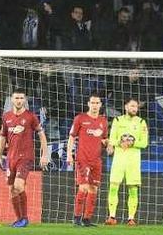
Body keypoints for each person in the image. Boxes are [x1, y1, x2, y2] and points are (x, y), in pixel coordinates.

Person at [0, 89, 49, 228]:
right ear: (12, 100)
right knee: (12, 190)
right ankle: (19, 219)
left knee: (18, 186)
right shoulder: (6, 116)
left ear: (24, 100)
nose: (19, 100)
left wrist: (44, 154)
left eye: (21, 98)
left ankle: (24, 218)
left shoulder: (31, 116)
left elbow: (41, 134)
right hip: (10, 158)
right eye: (16, 98)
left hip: (25, 157)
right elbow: (2, 137)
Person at [105, 97, 149, 226]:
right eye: (132, 106)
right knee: (113, 187)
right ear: (126, 107)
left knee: (133, 189)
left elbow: (144, 143)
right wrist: (119, 142)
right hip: (119, 159)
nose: (134, 109)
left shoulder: (141, 122)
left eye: (136, 107)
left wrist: (132, 142)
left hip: (133, 161)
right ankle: (112, 216)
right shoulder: (117, 120)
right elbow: (112, 139)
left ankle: (131, 218)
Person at [67, 93, 108, 227]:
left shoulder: (103, 121)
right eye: (93, 103)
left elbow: (104, 139)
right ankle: (77, 217)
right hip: (83, 159)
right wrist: (69, 154)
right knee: (83, 187)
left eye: (97, 103)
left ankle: (87, 219)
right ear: (88, 104)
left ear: (100, 105)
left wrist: (110, 145)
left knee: (93, 189)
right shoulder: (80, 118)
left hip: (96, 160)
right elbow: (72, 137)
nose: (95, 105)